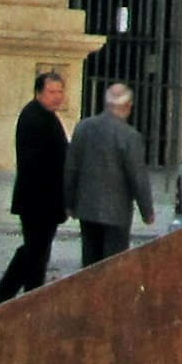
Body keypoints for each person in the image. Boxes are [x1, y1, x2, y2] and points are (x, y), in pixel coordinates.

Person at [0, 68, 71, 304]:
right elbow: (41, 164)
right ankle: (22, 295)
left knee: (35, 249)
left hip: (44, 200)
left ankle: (7, 293)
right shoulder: (34, 118)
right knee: (36, 251)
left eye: (60, 91)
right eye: (51, 92)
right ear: (39, 93)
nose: (57, 96)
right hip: (38, 200)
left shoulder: (46, 116)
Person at [67, 77, 158, 269]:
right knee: (113, 266)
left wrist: (69, 202)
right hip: (117, 211)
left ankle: (90, 297)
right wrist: (147, 211)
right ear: (128, 105)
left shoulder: (83, 128)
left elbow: (71, 167)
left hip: (87, 208)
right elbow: (137, 177)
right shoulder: (130, 136)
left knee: (90, 263)